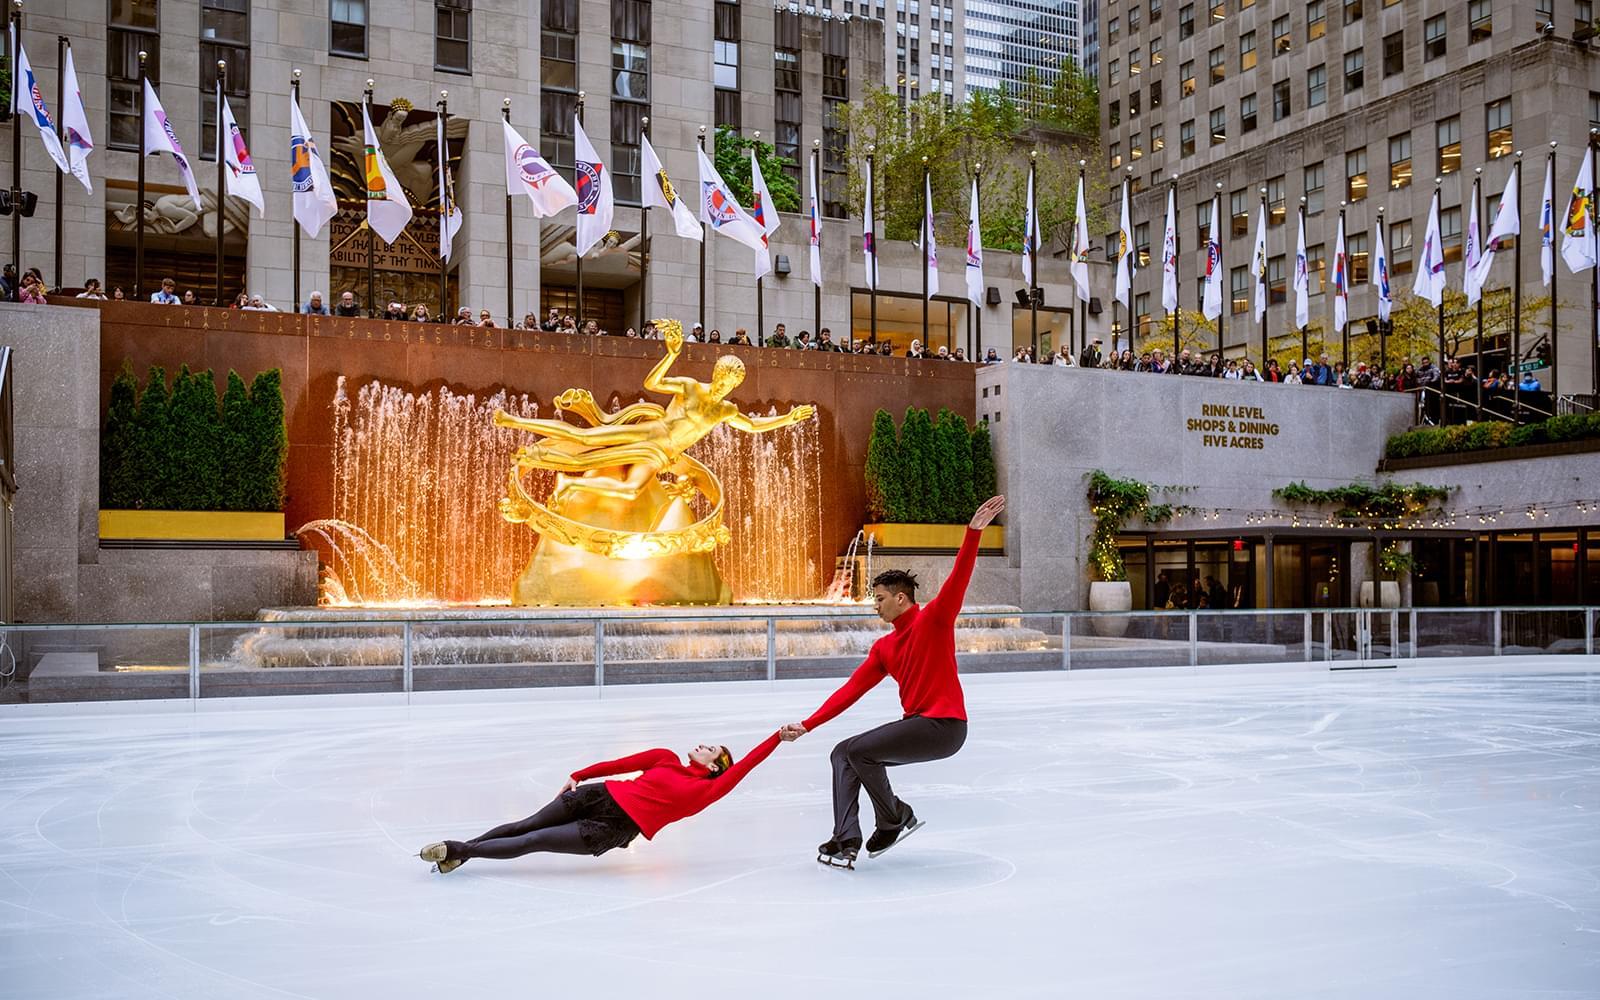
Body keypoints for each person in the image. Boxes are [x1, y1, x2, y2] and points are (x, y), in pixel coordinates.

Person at [780, 494, 1007, 869]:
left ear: (902, 598)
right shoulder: (884, 648)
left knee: (859, 751)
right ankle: (846, 837)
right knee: (842, 753)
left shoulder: (934, 619)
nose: (876, 605)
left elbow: (959, 578)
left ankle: (894, 817)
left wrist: (973, 532)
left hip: (945, 726)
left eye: (881, 598)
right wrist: (808, 724)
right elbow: (850, 691)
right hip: (917, 726)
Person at [418, 732, 783, 873]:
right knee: (526, 825)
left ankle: (457, 849)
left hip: (612, 827)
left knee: (535, 841)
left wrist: (778, 737)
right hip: (599, 795)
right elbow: (621, 765)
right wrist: (580, 774)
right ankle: (461, 853)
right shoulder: (666, 757)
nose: (703, 744)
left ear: (716, 766)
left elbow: (748, 764)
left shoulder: (706, 791)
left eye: (711, 749)